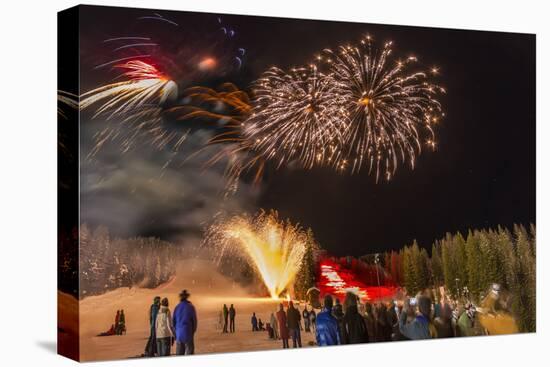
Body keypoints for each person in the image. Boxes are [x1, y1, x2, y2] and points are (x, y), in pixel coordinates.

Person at [173, 290, 197, 355]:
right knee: (189, 352)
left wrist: (176, 332)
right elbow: (194, 322)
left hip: (179, 334)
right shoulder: (191, 307)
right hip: (188, 333)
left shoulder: (177, 307)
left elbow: (173, 322)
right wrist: (193, 331)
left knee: (179, 354)